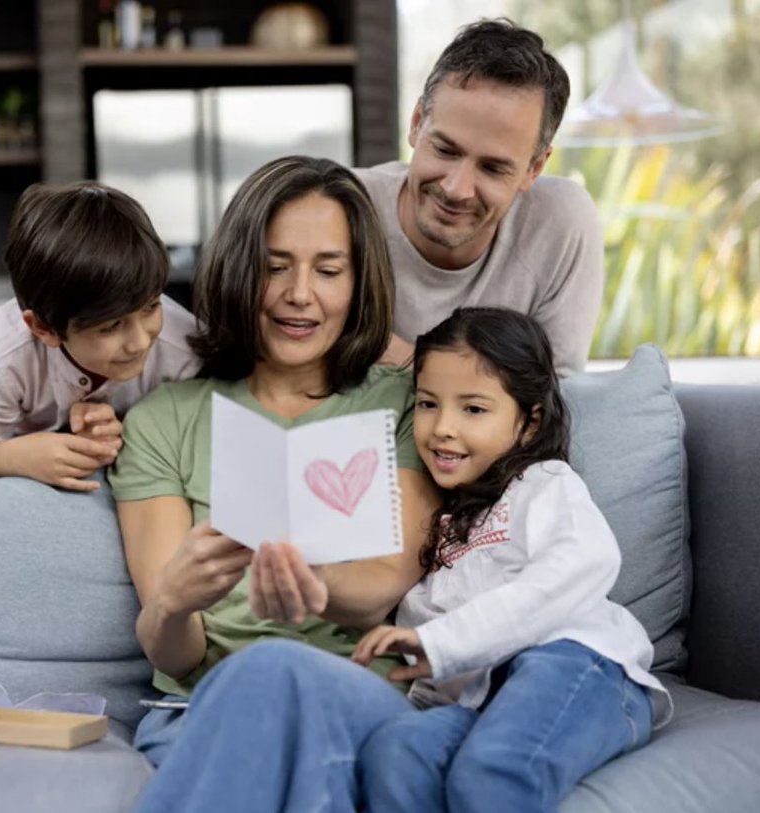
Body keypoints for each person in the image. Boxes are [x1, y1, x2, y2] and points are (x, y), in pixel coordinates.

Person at [130, 307, 672, 813]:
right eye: (429, 404)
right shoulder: (437, 526)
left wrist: (439, 646)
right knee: (397, 752)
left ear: (529, 423)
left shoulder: (543, 484)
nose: (442, 429)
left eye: (474, 409)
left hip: (578, 663)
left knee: (492, 772)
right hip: (481, 695)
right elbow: (428, 643)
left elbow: (582, 567)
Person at [107, 155, 439, 770]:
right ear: (238, 271)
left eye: (328, 270)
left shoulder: (405, 404)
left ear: (359, 281)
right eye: (274, 267)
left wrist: (307, 587)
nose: (299, 295)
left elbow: (377, 590)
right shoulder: (163, 421)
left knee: (288, 699)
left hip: (355, 697)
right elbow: (173, 655)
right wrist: (174, 604)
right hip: (203, 709)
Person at [355, 19, 603, 377]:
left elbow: (553, 403)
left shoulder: (561, 223)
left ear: (534, 168)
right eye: (444, 150)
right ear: (416, 122)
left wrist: (396, 355)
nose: (456, 189)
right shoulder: (339, 208)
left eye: (492, 168)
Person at [0, 181, 200, 492]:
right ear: (43, 329)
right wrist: (16, 457)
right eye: (111, 326)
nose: (141, 341)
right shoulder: (0, 358)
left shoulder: (186, 347)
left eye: (151, 306)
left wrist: (124, 428)